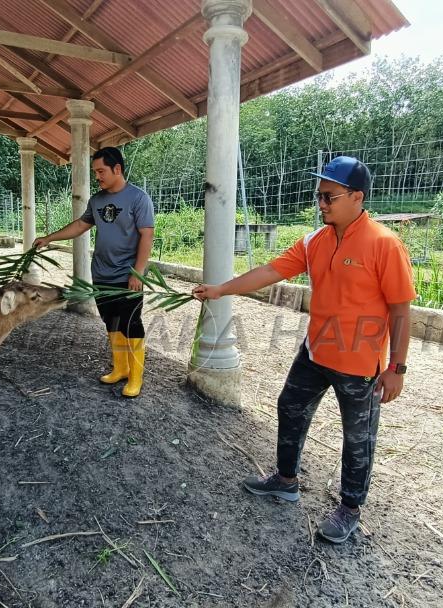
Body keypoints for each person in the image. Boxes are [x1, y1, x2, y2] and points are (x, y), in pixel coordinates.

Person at [192, 156, 416, 543]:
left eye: (329, 197)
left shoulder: (384, 244)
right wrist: (220, 289)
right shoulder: (315, 241)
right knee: (289, 406)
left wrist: (397, 366)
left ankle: (349, 508)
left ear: (357, 197)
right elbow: (270, 271)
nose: (322, 204)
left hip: (359, 362)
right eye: (320, 197)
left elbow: (400, 309)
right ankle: (285, 479)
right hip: (315, 351)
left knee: (357, 437)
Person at [35, 147, 155, 398]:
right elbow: (80, 225)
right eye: (95, 171)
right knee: (111, 322)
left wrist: (138, 272)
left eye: (101, 171)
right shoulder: (97, 201)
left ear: (117, 169)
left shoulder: (138, 198)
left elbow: (147, 235)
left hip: (127, 276)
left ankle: (136, 377)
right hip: (101, 274)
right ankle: (120, 369)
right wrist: (49, 238)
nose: (97, 176)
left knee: (131, 324)